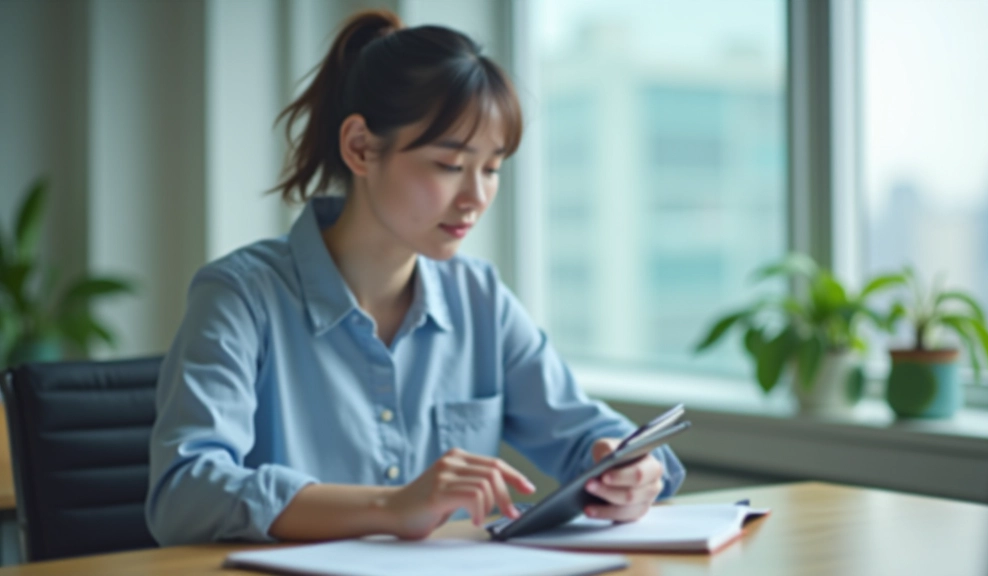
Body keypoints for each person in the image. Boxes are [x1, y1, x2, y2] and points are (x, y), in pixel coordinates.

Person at [145, 9, 685, 546]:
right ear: (360, 147)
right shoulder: (241, 296)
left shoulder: (480, 298)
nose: (476, 198)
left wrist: (633, 471)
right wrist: (392, 507)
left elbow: (589, 436)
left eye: (492, 168)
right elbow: (184, 494)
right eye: (450, 165)